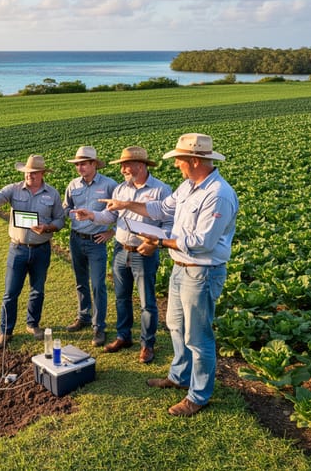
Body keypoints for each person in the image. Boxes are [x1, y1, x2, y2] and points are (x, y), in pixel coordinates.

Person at [75, 133, 238, 417]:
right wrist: (125, 205)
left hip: (201, 271)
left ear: (195, 160)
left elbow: (202, 242)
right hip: (180, 266)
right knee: (175, 325)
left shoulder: (218, 194)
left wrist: (159, 242)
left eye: (179, 160)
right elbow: (160, 208)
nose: (176, 165)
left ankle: (198, 395)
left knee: (198, 337)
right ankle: (179, 376)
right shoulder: (188, 186)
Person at [75, 147, 173, 363]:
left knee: (147, 302)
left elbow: (169, 223)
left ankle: (147, 344)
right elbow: (109, 215)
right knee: (122, 297)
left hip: (143, 252)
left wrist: (154, 244)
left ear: (140, 165)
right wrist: (92, 215)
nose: (121, 170)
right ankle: (123, 336)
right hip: (121, 249)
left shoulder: (161, 190)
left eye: (125, 165)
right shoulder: (120, 189)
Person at [0, 155, 65, 349]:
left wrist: (48, 227)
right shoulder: (13, 189)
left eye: (34, 172)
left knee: (37, 290)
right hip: (18, 249)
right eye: (27, 172)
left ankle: (32, 325)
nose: (30, 175)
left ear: (42, 173)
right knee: (10, 293)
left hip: (41, 249)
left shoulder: (53, 194)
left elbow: (60, 220)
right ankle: (5, 332)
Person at [62, 146, 117, 347]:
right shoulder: (73, 185)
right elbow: (65, 206)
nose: (80, 168)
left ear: (94, 164)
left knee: (98, 285)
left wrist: (112, 232)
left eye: (84, 164)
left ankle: (99, 327)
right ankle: (83, 317)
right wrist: (71, 214)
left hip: (96, 242)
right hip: (76, 239)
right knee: (80, 281)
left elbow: (121, 212)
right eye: (77, 164)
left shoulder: (110, 185)